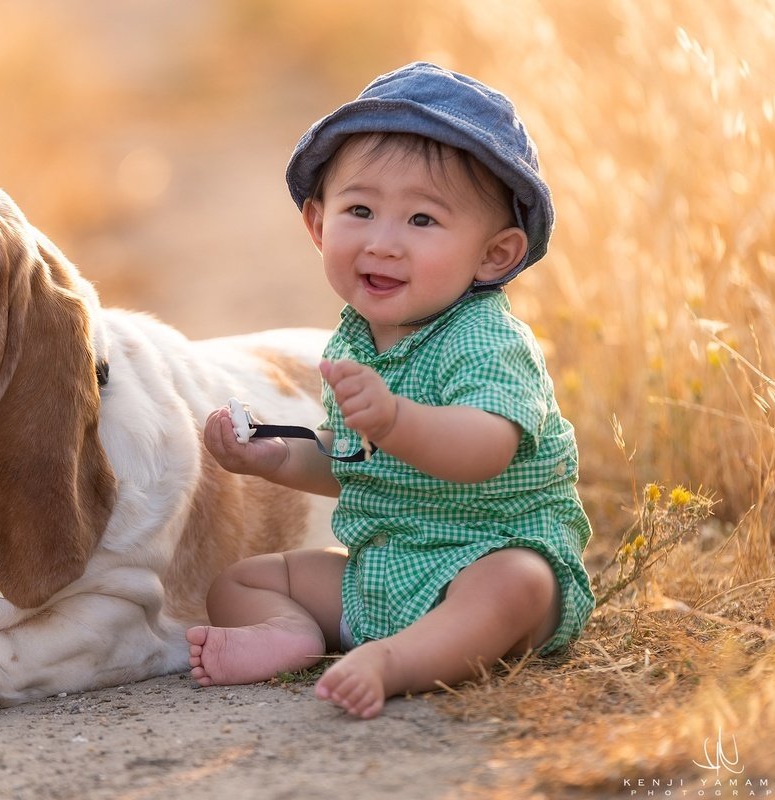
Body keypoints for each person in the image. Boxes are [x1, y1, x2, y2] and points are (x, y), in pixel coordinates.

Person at [186, 62, 594, 719]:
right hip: (388, 569)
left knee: (520, 582)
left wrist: (396, 419)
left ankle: (397, 660)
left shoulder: (487, 343)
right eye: (360, 210)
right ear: (318, 224)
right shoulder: (356, 339)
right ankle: (290, 632)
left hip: (482, 557)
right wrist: (275, 457)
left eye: (422, 221)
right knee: (244, 579)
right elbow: (356, 463)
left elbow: (485, 449)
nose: (383, 242)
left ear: (494, 254)